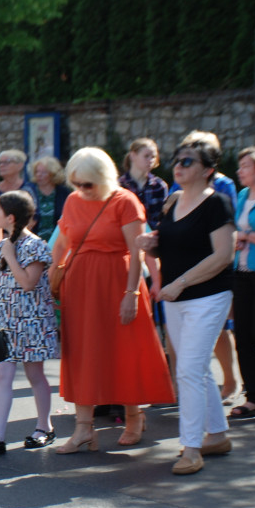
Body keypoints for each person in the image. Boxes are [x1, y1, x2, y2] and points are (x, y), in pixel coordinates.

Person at [53, 148, 174, 453]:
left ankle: (134, 417)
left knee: (124, 350)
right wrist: (53, 280)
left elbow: (137, 251)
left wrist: (131, 293)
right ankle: (83, 429)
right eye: (76, 183)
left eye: (88, 184)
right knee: (82, 353)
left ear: (102, 177)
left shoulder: (124, 200)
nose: (81, 190)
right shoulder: (72, 201)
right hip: (80, 287)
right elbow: (63, 244)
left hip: (118, 283)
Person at [138, 139, 235, 475]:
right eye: (178, 160)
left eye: (189, 162)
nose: (179, 166)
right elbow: (168, 241)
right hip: (176, 299)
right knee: (197, 369)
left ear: (208, 170)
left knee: (189, 370)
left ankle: (191, 448)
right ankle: (218, 435)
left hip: (208, 296)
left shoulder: (217, 204)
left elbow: (223, 255)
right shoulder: (174, 199)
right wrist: (152, 243)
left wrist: (180, 282)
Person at [0, 191, 59, 457]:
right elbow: (10, 282)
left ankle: (44, 426)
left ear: (10, 217)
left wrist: (10, 255)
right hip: (8, 319)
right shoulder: (4, 245)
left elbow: (28, 282)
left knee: (35, 374)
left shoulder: (34, 245)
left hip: (32, 321)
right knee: (2, 375)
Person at [230, 145, 255, 419]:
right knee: (242, 336)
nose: (239, 170)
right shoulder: (242, 195)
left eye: (245, 166)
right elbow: (236, 232)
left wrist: (246, 236)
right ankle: (253, 396)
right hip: (241, 273)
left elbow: (244, 233)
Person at [118, 138, 169, 230]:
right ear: (133, 156)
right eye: (146, 156)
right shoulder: (119, 186)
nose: (150, 160)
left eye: (153, 157)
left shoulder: (159, 186)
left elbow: (163, 218)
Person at [30, 156, 71, 243]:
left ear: (53, 174)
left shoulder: (63, 192)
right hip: (33, 243)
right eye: (37, 172)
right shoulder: (29, 191)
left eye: (44, 172)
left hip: (58, 242)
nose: (39, 175)